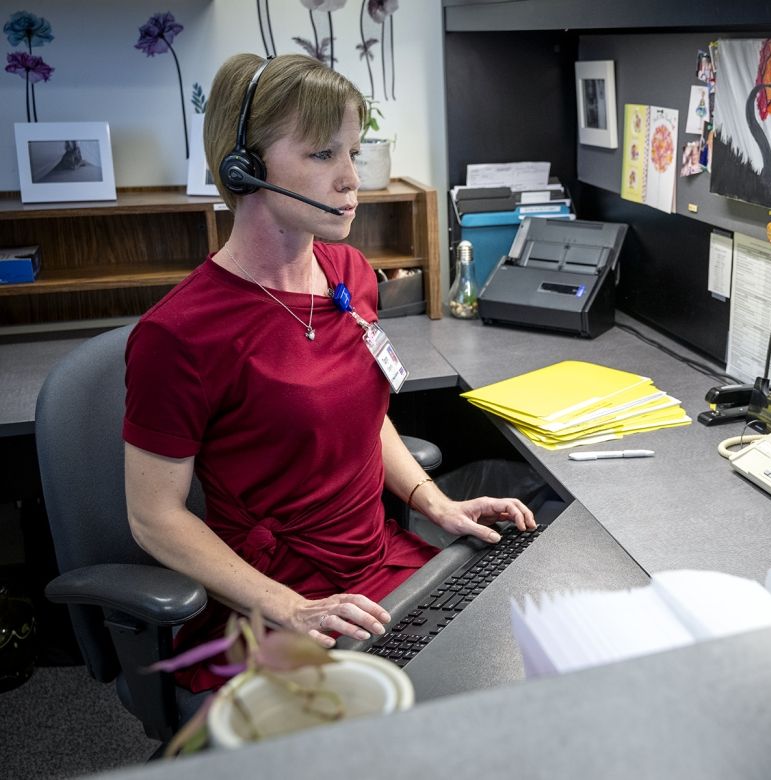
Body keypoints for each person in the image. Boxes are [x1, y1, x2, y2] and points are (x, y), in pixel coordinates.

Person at [122, 53, 535, 692]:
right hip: (282, 603)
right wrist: (285, 606)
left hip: (380, 569)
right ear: (245, 168)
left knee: (504, 668)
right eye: (322, 155)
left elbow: (364, 420)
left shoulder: (350, 273)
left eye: (353, 151)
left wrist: (435, 504)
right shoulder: (179, 335)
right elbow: (154, 517)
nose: (351, 179)